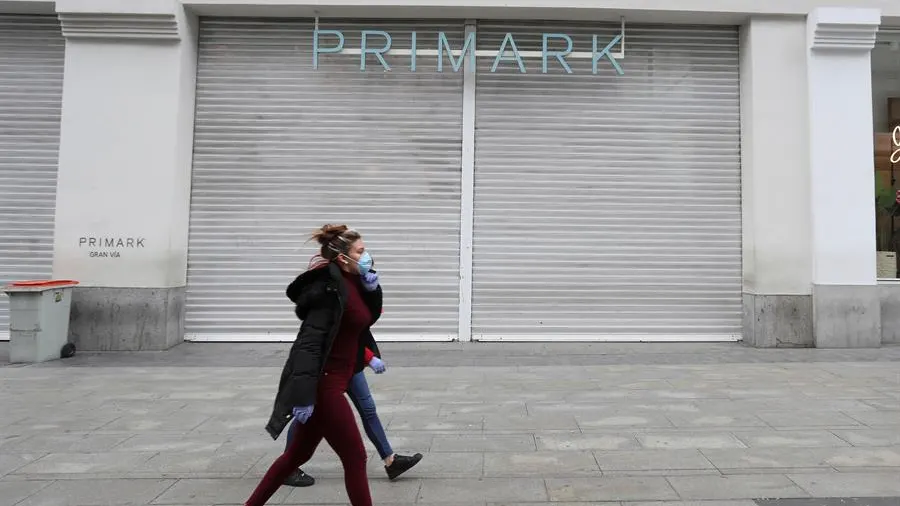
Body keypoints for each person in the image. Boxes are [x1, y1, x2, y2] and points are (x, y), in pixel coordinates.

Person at [246, 224, 382, 506]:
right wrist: (304, 395)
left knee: (295, 457)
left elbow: (362, 321)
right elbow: (307, 347)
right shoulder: (328, 292)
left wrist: (373, 289)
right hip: (325, 386)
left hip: (338, 380)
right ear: (343, 258)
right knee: (355, 457)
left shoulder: (354, 282)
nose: (367, 255)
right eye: (361, 251)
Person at [283, 343, 423, 487]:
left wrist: (366, 356)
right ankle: (287, 469)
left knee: (368, 409)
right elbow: (333, 335)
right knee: (309, 415)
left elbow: (353, 333)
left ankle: (390, 460)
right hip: (329, 365)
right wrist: (368, 357)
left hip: (351, 361)